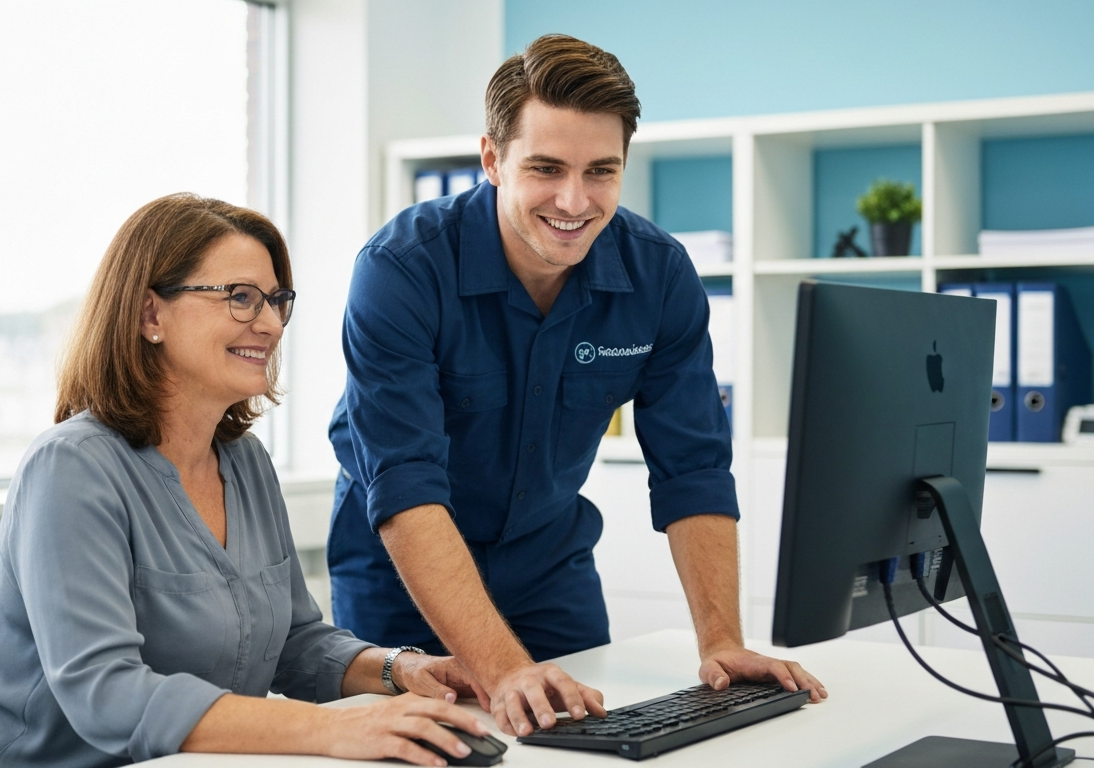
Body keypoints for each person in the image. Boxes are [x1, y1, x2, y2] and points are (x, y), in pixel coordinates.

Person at [327, 34, 828, 738]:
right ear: (492, 159)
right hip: (403, 582)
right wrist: (501, 671)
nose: (575, 200)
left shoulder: (658, 276)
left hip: (549, 567)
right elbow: (406, 486)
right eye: (546, 168)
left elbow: (693, 468)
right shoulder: (401, 271)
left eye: (601, 171)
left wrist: (721, 641)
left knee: (587, 744)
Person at [0, 194, 490, 768]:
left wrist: (402, 670)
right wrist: (337, 730)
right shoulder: (71, 467)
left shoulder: (245, 462)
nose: (272, 323)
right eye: (240, 298)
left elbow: (292, 642)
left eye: (278, 301)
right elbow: (104, 694)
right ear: (149, 315)